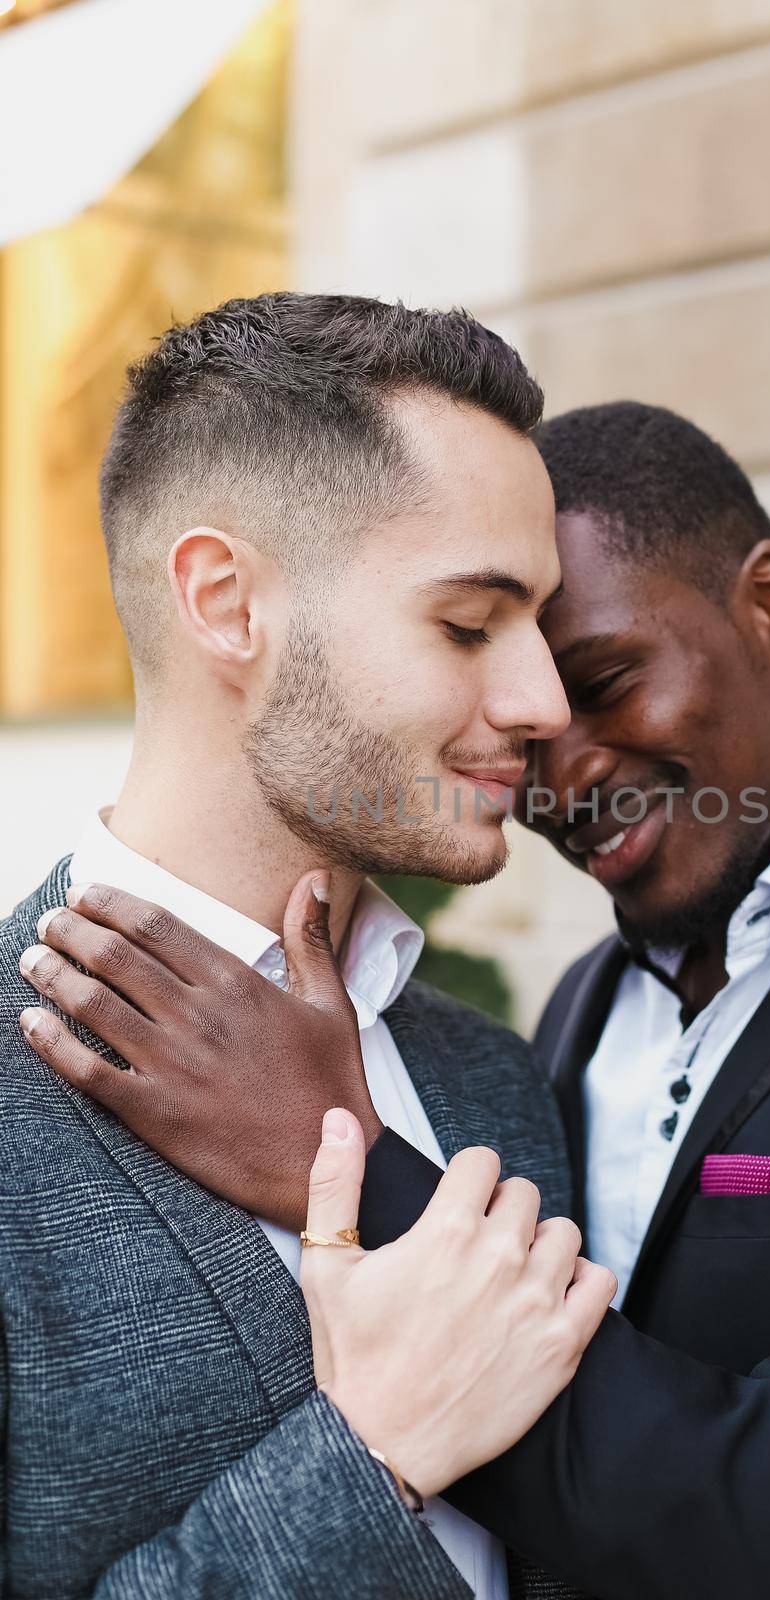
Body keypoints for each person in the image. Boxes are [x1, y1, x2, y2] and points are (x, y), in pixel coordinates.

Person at [20, 401, 770, 1599]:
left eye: (604, 681)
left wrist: (346, 1154)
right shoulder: (579, 1007)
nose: (552, 774)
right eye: (472, 641)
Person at [0, 293, 618, 1599]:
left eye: (541, 631)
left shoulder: (492, 1076)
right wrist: (368, 1456)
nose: (541, 705)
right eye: (467, 624)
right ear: (226, 602)